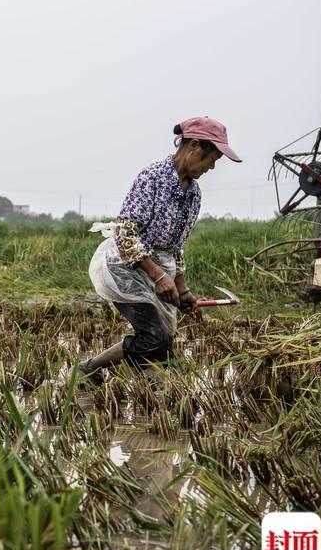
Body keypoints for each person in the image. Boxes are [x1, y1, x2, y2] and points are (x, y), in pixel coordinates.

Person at [80, 117, 240, 380]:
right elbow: (126, 234)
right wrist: (158, 276)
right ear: (194, 147)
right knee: (155, 338)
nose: (212, 167)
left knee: (162, 348)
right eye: (212, 159)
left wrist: (182, 287)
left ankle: (149, 399)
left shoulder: (194, 194)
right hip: (125, 271)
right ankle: (88, 369)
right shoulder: (152, 177)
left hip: (158, 271)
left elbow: (176, 246)